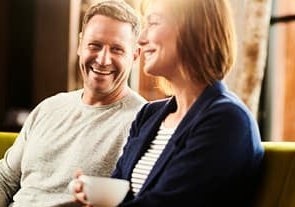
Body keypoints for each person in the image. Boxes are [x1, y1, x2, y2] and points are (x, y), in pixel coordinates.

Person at [72, 0, 264, 206]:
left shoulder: (226, 120)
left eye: (153, 23)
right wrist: (93, 196)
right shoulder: (149, 115)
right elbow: (118, 190)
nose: (142, 39)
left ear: (194, 29)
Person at [0, 1, 146, 206]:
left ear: (135, 56)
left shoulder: (143, 122)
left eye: (116, 49)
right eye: (95, 45)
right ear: (80, 45)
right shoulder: (49, 107)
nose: (103, 59)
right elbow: (3, 179)